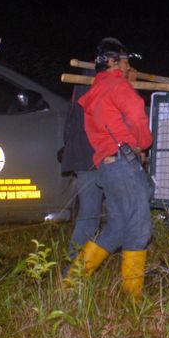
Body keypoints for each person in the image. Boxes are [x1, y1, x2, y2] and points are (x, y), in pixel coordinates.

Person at [68, 37, 153, 298]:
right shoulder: (118, 86)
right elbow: (139, 121)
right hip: (124, 162)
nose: (129, 68)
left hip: (106, 165)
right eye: (126, 62)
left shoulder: (95, 90)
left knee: (116, 226)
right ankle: (133, 297)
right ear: (114, 62)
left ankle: (69, 283)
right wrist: (144, 143)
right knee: (140, 226)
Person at [60, 81, 104, 278]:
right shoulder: (96, 83)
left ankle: (75, 268)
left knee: (91, 215)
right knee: (90, 216)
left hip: (85, 157)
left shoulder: (85, 82)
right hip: (91, 158)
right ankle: (73, 271)